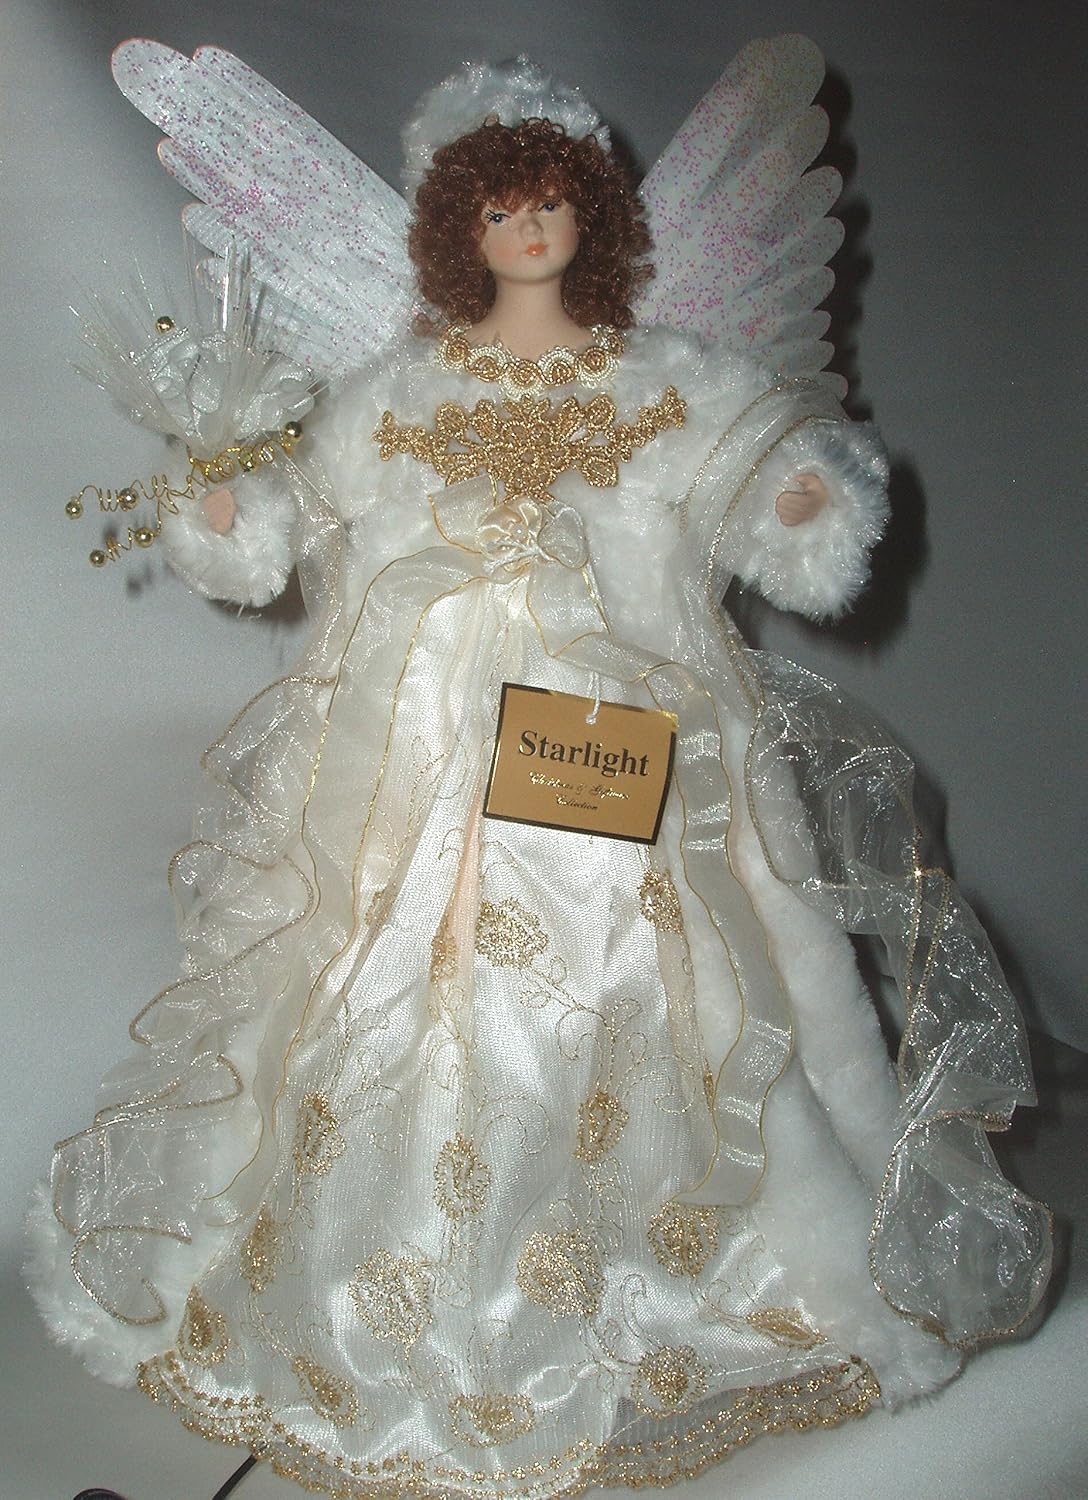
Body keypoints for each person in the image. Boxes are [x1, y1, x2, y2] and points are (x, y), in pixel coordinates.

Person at [31, 48, 1050, 1500]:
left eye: (549, 200)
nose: (526, 228)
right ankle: (410, 1279)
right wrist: (227, 506)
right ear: (458, 224)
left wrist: (799, 494)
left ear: (593, 214)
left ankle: (697, 1272)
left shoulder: (669, 382)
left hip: (636, 773)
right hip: (434, 778)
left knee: (678, 992)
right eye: (496, 206)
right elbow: (293, 516)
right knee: (396, 999)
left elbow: (776, 497)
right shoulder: (396, 392)